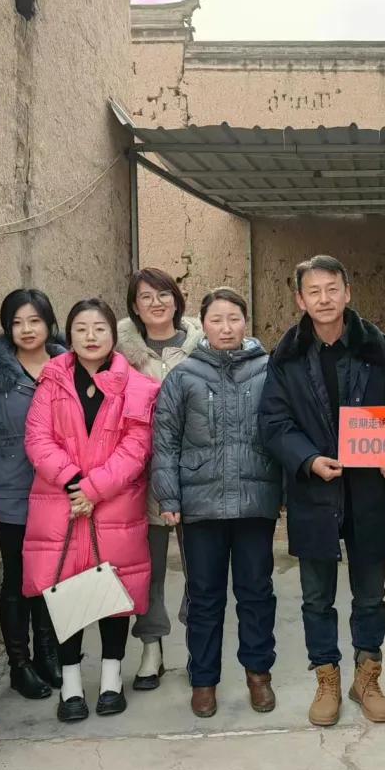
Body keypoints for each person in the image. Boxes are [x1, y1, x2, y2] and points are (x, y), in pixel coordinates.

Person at [258, 255, 385, 727]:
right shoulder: (286, 358)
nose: (324, 299)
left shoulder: (379, 349)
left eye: (332, 289)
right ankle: (327, 678)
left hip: (370, 491)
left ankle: (368, 676)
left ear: (347, 292)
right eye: (313, 291)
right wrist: (307, 460)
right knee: (316, 597)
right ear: (300, 300)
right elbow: (274, 422)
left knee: (370, 595)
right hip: (314, 491)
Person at [22, 298, 160, 723]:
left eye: (99, 328)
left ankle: (112, 679)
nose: (91, 336)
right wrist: (72, 482)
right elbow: (37, 438)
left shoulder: (137, 387)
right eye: (81, 329)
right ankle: (71, 685)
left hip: (114, 503)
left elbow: (137, 446)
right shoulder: (52, 380)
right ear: (69, 336)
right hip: (61, 503)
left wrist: (95, 489)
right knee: (68, 594)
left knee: (113, 590)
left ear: (113, 335)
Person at [151, 287, 282, 718]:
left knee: (256, 592)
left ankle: (258, 674)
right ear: (202, 325)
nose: (226, 328)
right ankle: (203, 679)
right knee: (204, 597)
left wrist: (284, 490)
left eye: (234, 319)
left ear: (246, 322)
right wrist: (169, 496)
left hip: (254, 501)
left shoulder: (269, 370)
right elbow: (165, 441)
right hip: (199, 506)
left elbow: (284, 429)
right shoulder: (183, 376)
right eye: (216, 320)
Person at [0, 289, 68, 700]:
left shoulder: (68, 367)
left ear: (49, 324)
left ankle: (48, 653)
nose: (26, 329)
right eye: (17, 322)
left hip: (58, 488)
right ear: (7, 328)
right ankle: (19, 665)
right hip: (11, 490)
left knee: (53, 574)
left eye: (34, 321)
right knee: (18, 576)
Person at [117, 268, 203, 690]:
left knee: (199, 566)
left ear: (177, 299)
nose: (156, 303)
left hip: (196, 474)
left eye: (164, 294)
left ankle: (197, 642)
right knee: (147, 567)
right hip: (141, 476)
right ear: (134, 306)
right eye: (146, 296)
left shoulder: (201, 347)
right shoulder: (120, 354)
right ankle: (151, 645)